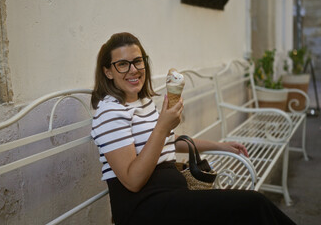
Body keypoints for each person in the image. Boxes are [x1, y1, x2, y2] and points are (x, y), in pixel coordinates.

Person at [91, 32, 296, 225]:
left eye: (137, 61)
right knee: (253, 205)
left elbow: (166, 140)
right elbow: (132, 181)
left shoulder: (141, 101)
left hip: (173, 197)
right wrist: (163, 126)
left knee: (250, 208)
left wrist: (220, 146)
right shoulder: (110, 113)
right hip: (144, 207)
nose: (133, 70)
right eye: (122, 65)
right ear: (108, 71)